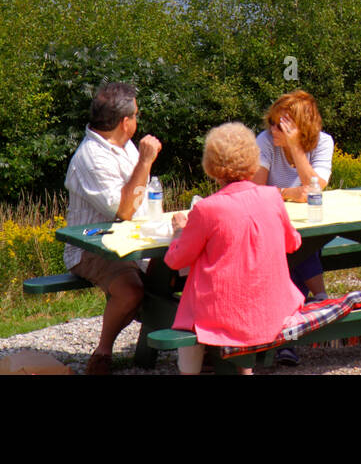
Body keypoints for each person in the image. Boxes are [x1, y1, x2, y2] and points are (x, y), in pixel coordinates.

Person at [165, 122, 304, 375]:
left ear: (212, 166)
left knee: (187, 302)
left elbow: (176, 260)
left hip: (224, 315)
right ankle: (244, 370)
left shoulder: (206, 209)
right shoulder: (272, 196)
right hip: (271, 308)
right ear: (252, 158)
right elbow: (293, 243)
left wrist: (178, 231)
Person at [63, 81, 162, 376]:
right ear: (125, 122)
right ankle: (103, 353)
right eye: (136, 114)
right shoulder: (91, 158)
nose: (138, 118)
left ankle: (200, 346)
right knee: (131, 292)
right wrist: (145, 160)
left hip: (135, 239)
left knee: (185, 270)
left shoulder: (122, 145)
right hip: (93, 247)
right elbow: (123, 210)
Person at [252, 90, 334, 300]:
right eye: (271, 122)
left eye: (280, 126)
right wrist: (289, 193)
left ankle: (307, 299)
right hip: (270, 222)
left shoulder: (323, 143)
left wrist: (295, 147)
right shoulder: (265, 141)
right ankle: (320, 298)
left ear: (300, 127)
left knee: (301, 240)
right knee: (296, 240)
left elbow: (316, 187)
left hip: (305, 221)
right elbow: (255, 190)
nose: (272, 129)